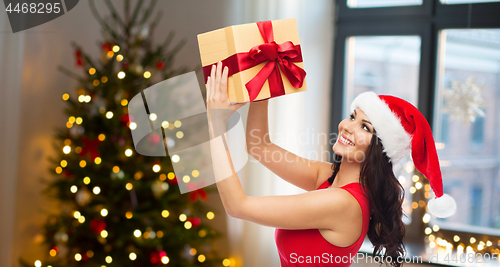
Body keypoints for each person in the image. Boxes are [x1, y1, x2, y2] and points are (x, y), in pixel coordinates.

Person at [205, 61, 456, 267]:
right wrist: (263, 87)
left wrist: (216, 123)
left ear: (380, 150)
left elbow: (238, 206)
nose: (347, 127)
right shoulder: (327, 177)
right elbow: (260, 147)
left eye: (364, 127)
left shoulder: (343, 202)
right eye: (352, 117)